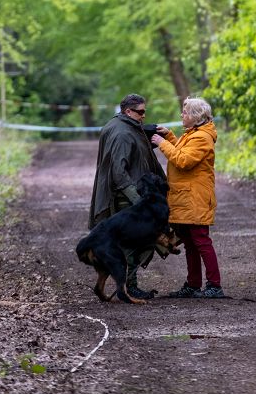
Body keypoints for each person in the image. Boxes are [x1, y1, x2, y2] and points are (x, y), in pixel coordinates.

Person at [89, 93, 168, 300]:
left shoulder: (118, 125)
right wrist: (139, 200)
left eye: (145, 112)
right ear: (128, 112)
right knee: (135, 243)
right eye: (140, 112)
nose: (143, 116)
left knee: (130, 242)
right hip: (127, 197)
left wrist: (153, 133)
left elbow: (136, 147)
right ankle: (129, 287)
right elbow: (119, 171)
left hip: (129, 195)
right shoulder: (122, 134)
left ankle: (122, 285)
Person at [152, 96, 224, 298]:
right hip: (187, 197)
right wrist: (169, 136)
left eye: (184, 112)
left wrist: (162, 143)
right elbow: (183, 150)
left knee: (201, 241)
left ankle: (214, 286)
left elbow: (183, 160)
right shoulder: (194, 133)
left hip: (196, 198)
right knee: (190, 242)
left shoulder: (202, 137)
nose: (181, 115)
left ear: (195, 116)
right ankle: (193, 285)